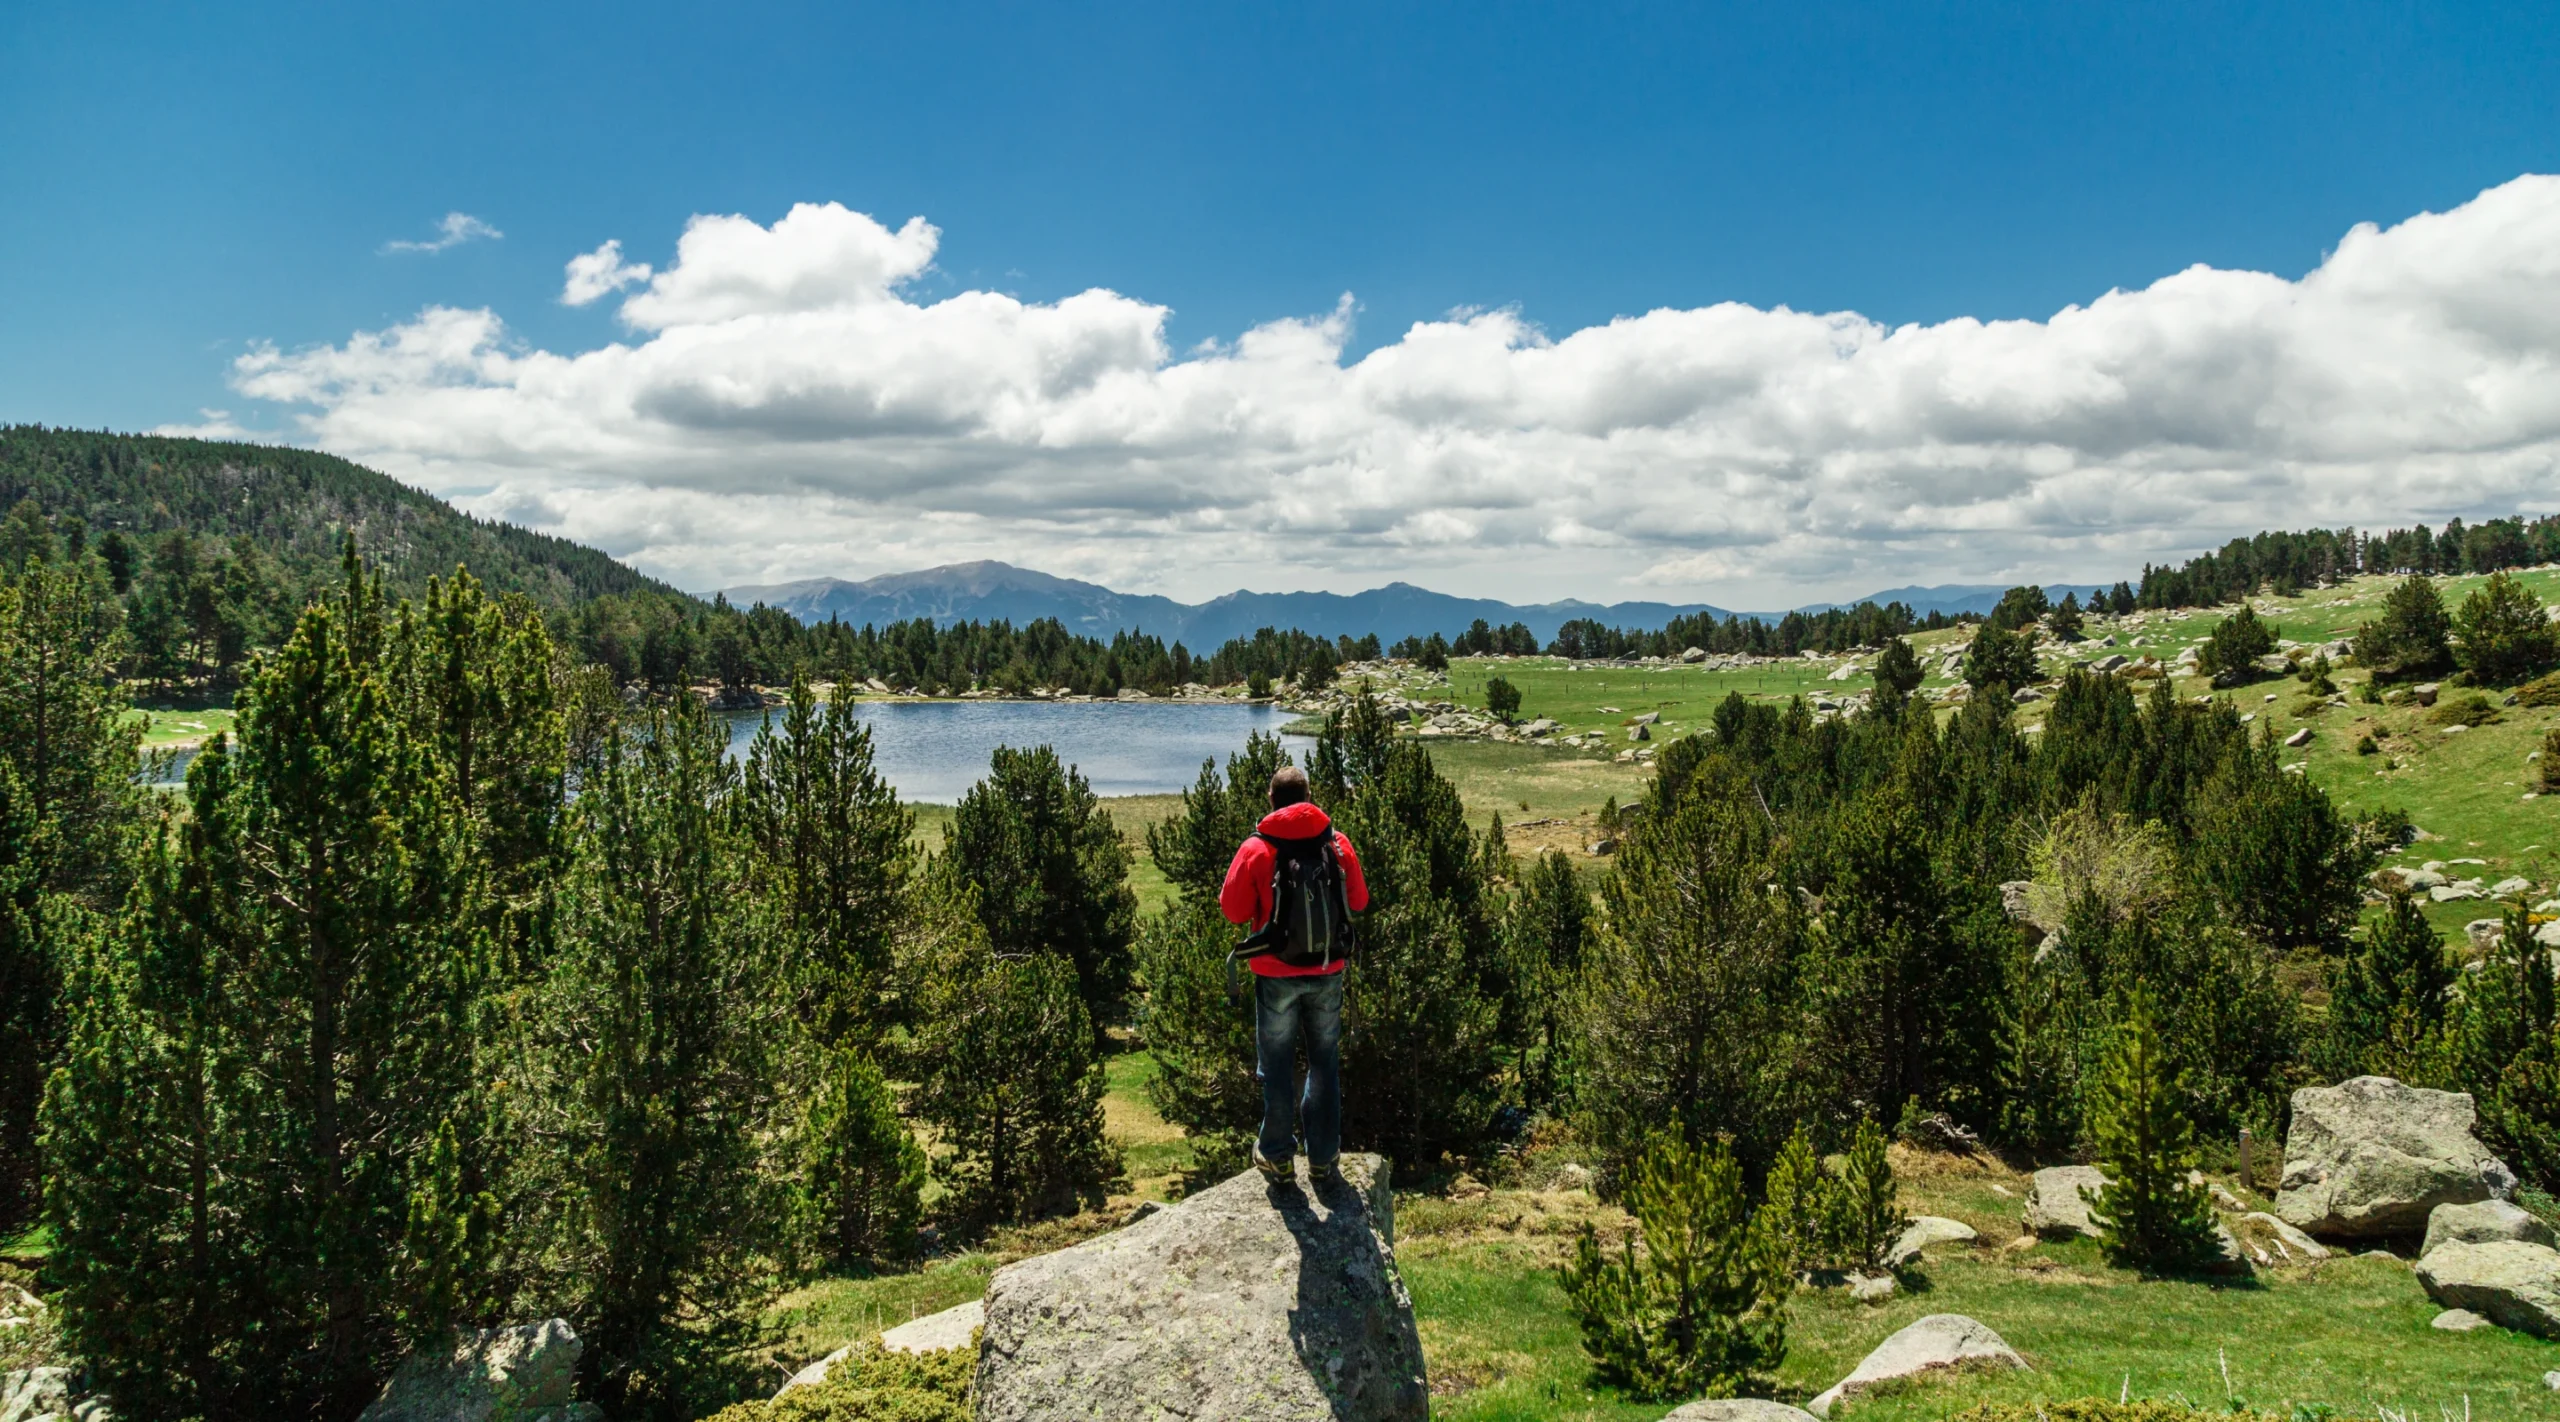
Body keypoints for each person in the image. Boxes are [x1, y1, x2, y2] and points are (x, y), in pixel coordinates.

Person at [1219, 765, 1368, 1181]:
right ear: (1308, 796)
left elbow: (1233, 911)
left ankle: (1277, 1155)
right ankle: (1323, 1158)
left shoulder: (1256, 848)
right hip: (1327, 967)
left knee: (1277, 1065)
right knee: (1324, 1063)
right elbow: (1358, 901)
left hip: (1274, 972)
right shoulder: (1336, 843)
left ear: (1271, 799)